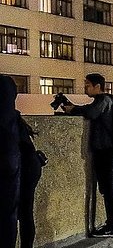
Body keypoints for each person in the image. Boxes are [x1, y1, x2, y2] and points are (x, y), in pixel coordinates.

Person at [62, 73, 113, 236]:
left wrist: (74, 109)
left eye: (88, 84)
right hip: (106, 150)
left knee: (108, 188)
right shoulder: (104, 101)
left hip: (106, 151)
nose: (85, 87)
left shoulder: (104, 100)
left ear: (97, 86)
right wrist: (73, 108)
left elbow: (92, 113)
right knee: (108, 188)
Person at [0, 75, 44, 248]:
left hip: (21, 169)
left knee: (13, 214)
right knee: (23, 213)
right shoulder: (13, 116)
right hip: (27, 167)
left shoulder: (6, 120)